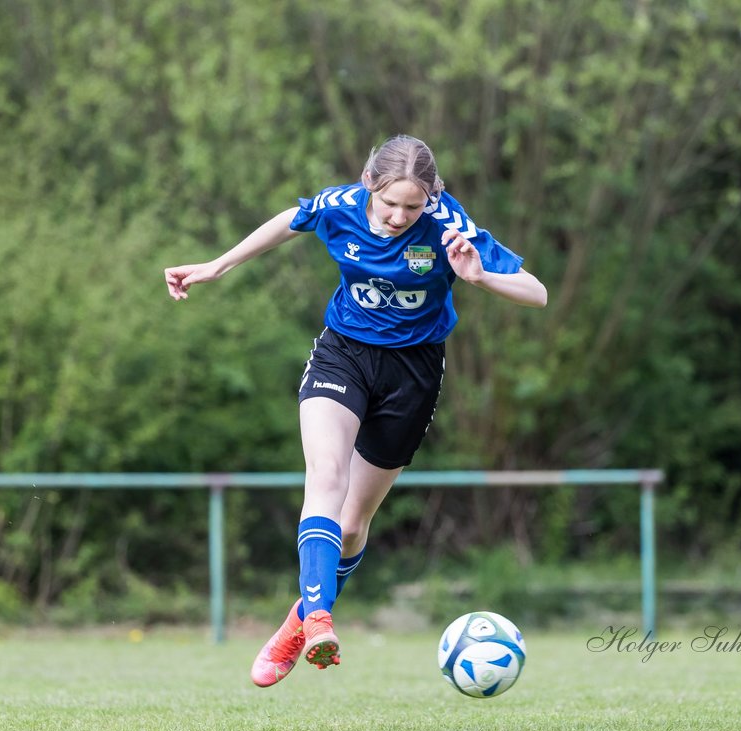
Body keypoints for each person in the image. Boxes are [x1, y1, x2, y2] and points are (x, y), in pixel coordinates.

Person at [164, 135, 547, 687]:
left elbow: (536, 293)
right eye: (389, 203)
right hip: (343, 356)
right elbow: (290, 218)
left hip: (413, 374)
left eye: (412, 207)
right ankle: (320, 618)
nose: (398, 217)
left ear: (430, 198)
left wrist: (480, 276)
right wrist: (218, 266)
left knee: (351, 525)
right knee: (325, 477)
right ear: (370, 184)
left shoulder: (447, 227)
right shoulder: (340, 206)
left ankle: (298, 620)